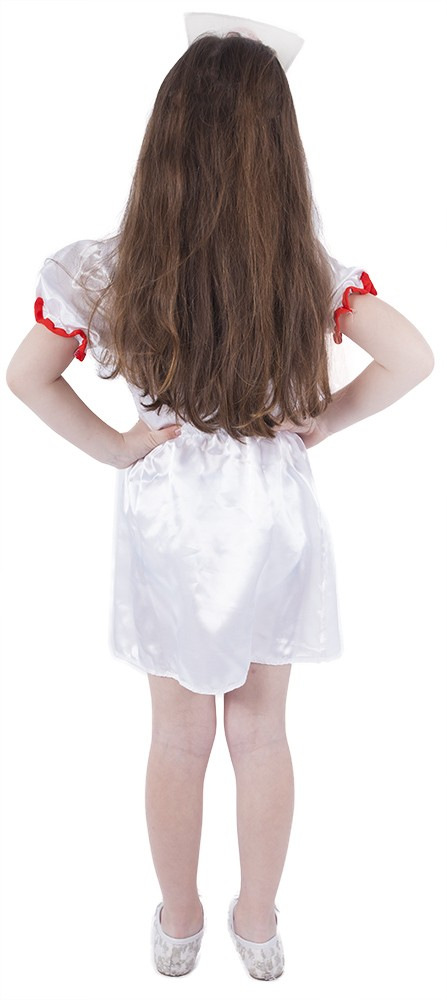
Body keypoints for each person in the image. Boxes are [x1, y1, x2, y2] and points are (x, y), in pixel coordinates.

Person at [5, 11, 435, 984]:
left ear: (164, 140)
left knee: (177, 734)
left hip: (171, 518)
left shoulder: (111, 270)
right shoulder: (302, 272)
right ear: (277, 154)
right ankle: (259, 921)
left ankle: (179, 921)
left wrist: (120, 447)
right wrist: (321, 421)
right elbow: (412, 356)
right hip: (270, 511)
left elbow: (26, 376)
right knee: (262, 729)